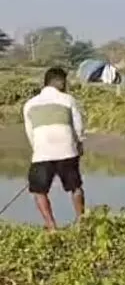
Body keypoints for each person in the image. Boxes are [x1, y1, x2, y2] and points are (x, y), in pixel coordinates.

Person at [23, 67, 86, 231]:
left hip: (42, 153)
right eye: (65, 82)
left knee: (39, 191)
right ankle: (81, 222)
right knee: (75, 187)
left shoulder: (29, 104)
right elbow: (78, 127)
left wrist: (39, 151)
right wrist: (79, 144)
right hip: (67, 151)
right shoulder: (68, 100)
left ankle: (51, 227)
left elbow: (30, 133)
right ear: (59, 82)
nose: (66, 85)